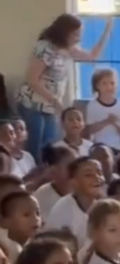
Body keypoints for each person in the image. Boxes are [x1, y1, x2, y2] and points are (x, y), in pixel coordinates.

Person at [17, 14, 113, 161]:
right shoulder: (45, 47)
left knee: (49, 146)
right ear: (64, 32)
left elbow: (92, 56)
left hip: (50, 107)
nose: (78, 38)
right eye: (75, 34)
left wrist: (107, 31)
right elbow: (32, 79)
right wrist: (54, 100)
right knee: (35, 148)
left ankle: (48, 174)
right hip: (32, 104)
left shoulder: (68, 49)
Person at [84, 68, 120, 152]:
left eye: (112, 83)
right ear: (97, 85)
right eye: (104, 83)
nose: (109, 87)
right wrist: (106, 122)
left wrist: (115, 123)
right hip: (98, 147)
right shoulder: (92, 105)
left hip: (117, 148)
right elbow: (89, 129)